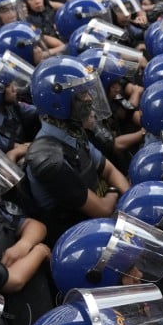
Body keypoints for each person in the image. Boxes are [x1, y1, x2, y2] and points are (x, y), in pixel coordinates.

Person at [24, 55, 131, 243]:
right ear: (59, 103)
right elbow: (102, 210)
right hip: (80, 237)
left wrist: (130, 200)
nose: (89, 98)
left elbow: (109, 169)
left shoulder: (71, 131)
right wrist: (116, 191)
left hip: (100, 214)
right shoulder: (49, 160)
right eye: (82, 94)